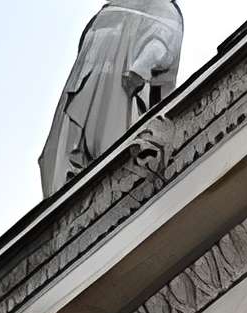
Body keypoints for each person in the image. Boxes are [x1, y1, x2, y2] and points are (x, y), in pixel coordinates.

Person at [41, 2, 188, 197]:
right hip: (88, 93)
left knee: (114, 154)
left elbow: (160, 44)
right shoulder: (108, 13)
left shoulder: (160, 7)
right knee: (65, 156)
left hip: (116, 96)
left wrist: (141, 67)